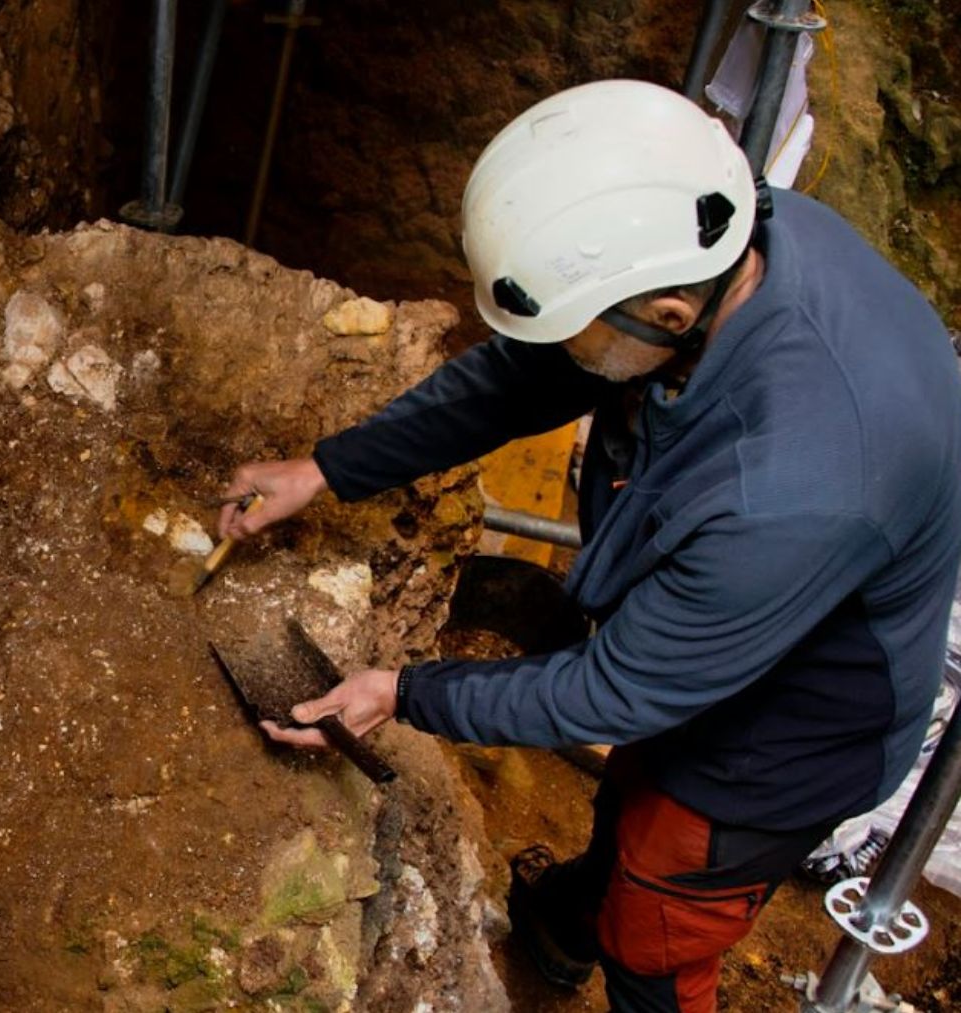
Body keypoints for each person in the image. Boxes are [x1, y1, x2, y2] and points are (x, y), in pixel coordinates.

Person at [218, 80, 961, 1012]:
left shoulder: (789, 491)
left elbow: (613, 689)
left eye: (573, 331)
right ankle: (568, 920)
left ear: (669, 321)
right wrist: (327, 469)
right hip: (730, 623)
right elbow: (517, 381)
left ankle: (617, 945)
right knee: (632, 802)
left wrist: (402, 692)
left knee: (660, 912)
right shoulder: (719, 243)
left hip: (794, 731)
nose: (560, 351)